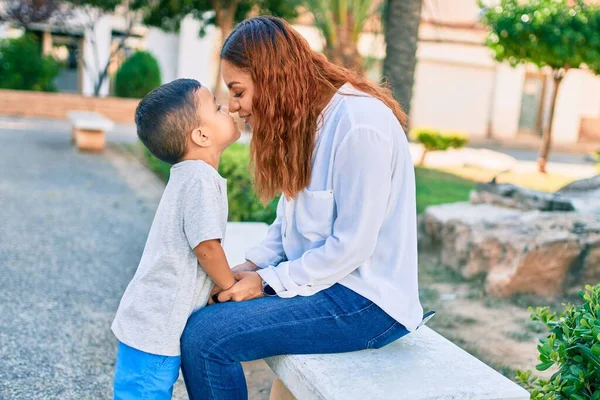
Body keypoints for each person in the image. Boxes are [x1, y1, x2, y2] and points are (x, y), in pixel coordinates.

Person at [181, 16, 424, 399]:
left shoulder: (359, 125)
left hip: (365, 301)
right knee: (205, 314)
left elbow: (353, 246)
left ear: (273, 76)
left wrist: (265, 282)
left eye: (239, 91)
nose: (234, 107)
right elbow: (289, 221)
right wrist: (250, 267)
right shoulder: (305, 120)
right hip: (326, 285)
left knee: (207, 339)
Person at [111, 78, 240, 399]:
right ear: (201, 135)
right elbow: (207, 247)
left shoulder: (190, 175)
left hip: (151, 318)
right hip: (156, 324)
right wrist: (229, 286)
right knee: (143, 392)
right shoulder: (199, 178)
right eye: (216, 106)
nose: (227, 107)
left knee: (137, 391)